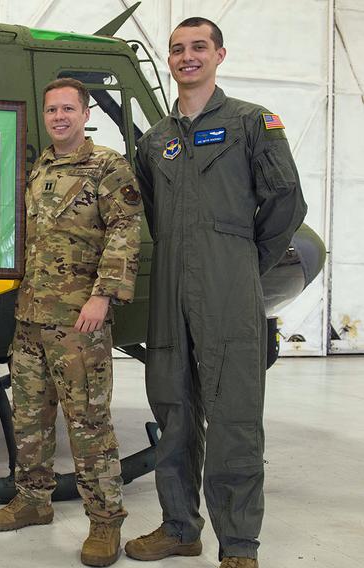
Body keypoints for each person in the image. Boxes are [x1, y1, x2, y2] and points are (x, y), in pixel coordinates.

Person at [124, 18, 306, 568]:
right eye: (177, 50)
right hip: (171, 292)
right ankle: (179, 526)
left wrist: (243, 263)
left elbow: (286, 204)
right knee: (174, 411)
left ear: (219, 54)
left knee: (234, 417)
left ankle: (239, 544)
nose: (187, 57)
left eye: (198, 47)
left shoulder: (253, 123)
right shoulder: (157, 139)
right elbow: (152, 212)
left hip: (230, 287)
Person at [0, 78, 143, 567]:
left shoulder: (108, 168)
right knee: (30, 419)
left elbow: (126, 230)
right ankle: (33, 500)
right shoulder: (38, 170)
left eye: (68, 109)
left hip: (79, 323)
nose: (59, 117)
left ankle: (105, 522)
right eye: (52, 110)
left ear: (85, 112)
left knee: (88, 424)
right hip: (31, 318)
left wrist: (103, 297)